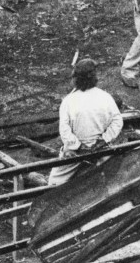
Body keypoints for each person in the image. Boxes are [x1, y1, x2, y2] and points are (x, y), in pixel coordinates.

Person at [48, 59, 123, 187]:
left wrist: (78, 146)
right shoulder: (105, 97)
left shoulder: (68, 101)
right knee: (107, 176)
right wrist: (104, 140)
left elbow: (64, 130)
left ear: (75, 79)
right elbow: (117, 121)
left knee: (54, 183)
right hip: (100, 150)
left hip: (75, 152)